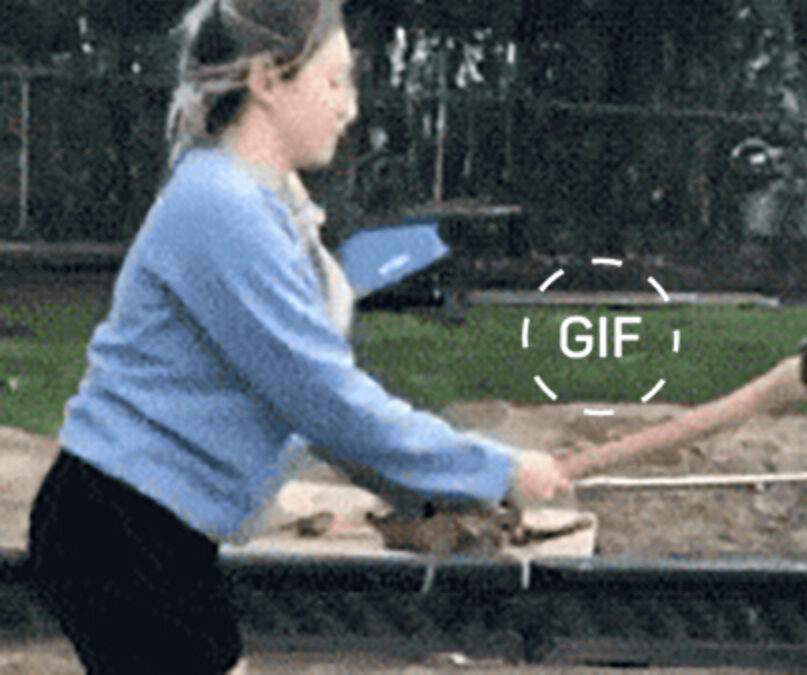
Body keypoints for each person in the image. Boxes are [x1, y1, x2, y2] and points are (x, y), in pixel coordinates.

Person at [24, 1, 570, 673]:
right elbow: (326, 400)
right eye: (334, 80)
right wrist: (496, 469)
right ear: (266, 80)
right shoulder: (224, 208)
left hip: (141, 528)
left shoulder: (260, 202)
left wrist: (437, 491)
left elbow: (316, 405)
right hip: (124, 531)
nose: (351, 107)